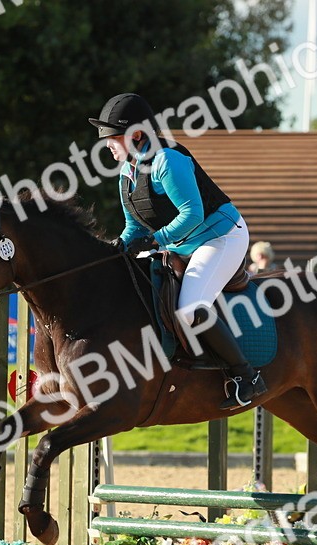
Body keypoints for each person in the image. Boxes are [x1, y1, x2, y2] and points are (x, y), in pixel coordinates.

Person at [89, 92, 267, 410]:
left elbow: (192, 213)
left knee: (188, 308)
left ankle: (246, 376)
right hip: (180, 243)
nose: (107, 145)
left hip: (219, 236)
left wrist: (157, 240)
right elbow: (135, 227)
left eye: (112, 138)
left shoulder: (167, 160)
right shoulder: (126, 174)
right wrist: (119, 247)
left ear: (137, 135)